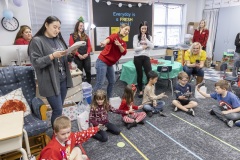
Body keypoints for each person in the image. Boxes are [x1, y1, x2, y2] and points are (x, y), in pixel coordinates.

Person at [28, 16, 73, 126]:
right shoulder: (37, 41)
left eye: (59, 28)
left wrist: (71, 53)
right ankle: (56, 135)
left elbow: (64, 59)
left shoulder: (58, 40)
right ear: (46, 25)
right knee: (57, 110)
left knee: (59, 108)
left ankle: (58, 134)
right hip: (49, 82)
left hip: (63, 79)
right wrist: (52, 56)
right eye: (54, 27)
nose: (57, 30)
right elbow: (36, 62)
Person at [93, 23, 130, 98]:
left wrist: (119, 45)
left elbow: (124, 52)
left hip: (109, 64)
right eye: (125, 29)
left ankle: (109, 100)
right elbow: (109, 39)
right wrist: (104, 42)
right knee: (100, 83)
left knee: (112, 81)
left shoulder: (123, 43)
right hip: (102, 62)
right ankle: (92, 102)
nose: (127, 31)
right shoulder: (115, 36)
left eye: (128, 30)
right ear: (121, 28)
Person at [133, 21, 154, 98]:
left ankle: (149, 90)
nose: (143, 30)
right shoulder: (136, 37)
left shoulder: (149, 37)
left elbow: (152, 47)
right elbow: (135, 49)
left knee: (149, 73)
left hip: (146, 57)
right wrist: (143, 47)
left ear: (147, 28)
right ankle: (140, 90)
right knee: (140, 74)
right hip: (137, 57)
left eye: (145, 28)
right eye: (142, 28)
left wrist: (146, 40)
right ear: (140, 28)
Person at [69, 17, 92, 83]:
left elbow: (89, 46)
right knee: (79, 72)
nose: (82, 27)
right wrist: (78, 55)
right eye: (80, 26)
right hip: (77, 57)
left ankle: (89, 84)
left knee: (88, 71)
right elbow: (72, 47)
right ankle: (80, 85)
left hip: (86, 56)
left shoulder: (86, 36)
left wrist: (87, 54)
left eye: (83, 26)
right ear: (77, 26)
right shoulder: (72, 36)